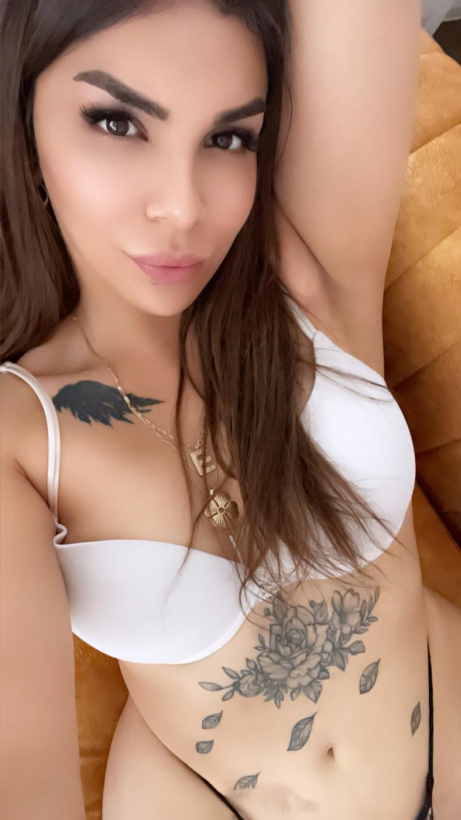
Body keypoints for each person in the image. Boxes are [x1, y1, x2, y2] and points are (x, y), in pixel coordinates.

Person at [0, 1, 435, 818]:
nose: (184, 208)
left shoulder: (308, 282)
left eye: (228, 138)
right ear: (23, 130)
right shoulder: (20, 436)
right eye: (117, 123)